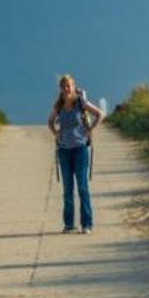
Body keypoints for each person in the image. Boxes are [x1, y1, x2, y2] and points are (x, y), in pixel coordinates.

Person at [47, 74, 103, 233]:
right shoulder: (58, 106)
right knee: (67, 190)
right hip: (64, 151)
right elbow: (50, 121)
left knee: (83, 188)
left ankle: (87, 224)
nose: (66, 88)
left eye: (69, 85)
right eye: (64, 86)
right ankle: (69, 224)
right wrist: (56, 133)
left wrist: (90, 130)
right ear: (60, 88)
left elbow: (100, 114)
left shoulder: (81, 103)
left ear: (73, 87)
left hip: (80, 149)